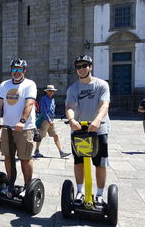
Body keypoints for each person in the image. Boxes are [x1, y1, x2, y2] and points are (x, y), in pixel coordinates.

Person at [65, 55, 111, 205]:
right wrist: (71, 120)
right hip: (79, 130)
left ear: (90, 66)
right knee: (78, 162)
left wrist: (98, 120)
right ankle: (79, 191)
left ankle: (99, 194)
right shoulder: (73, 88)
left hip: (98, 129)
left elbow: (104, 104)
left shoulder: (101, 85)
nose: (81, 69)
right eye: (78, 67)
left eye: (84, 65)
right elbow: (70, 107)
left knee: (100, 163)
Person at [0, 58, 37, 195]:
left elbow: (29, 103)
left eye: (19, 70)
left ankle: (28, 187)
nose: (16, 72)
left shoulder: (29, 84)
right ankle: (10, 184)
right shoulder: (4, 85)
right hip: (7, 128)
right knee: (7, 156)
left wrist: (22, 121)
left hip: (24, 128)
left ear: (24, 71)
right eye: (14, 70)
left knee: (25, 158)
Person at [34, 85, 71, 158]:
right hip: (45, 120)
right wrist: (49, 120)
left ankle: (61, 152)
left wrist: (52, 118)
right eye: (50, 91)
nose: (51, 92)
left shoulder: (53, 99)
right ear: (47, 91)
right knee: (41, 136)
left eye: (53, 91)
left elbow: (52, 109)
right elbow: (44, 111)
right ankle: (37, 150)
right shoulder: (43, 99)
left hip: (51, 119)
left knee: (55, 135)